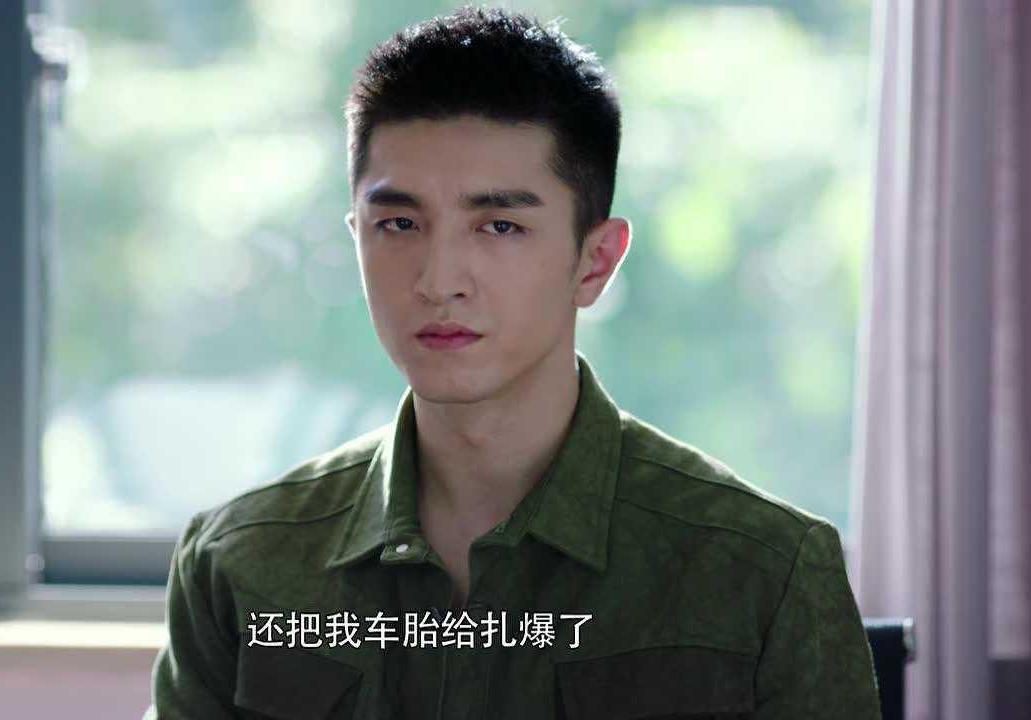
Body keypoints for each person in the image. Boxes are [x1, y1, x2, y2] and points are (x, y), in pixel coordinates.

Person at [145, 5, 881, 719]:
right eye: (398, 223)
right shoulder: (237, 565)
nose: (439, 280)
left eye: (499, 225)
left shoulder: (763, 574)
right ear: (356, 237)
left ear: (595, 261)